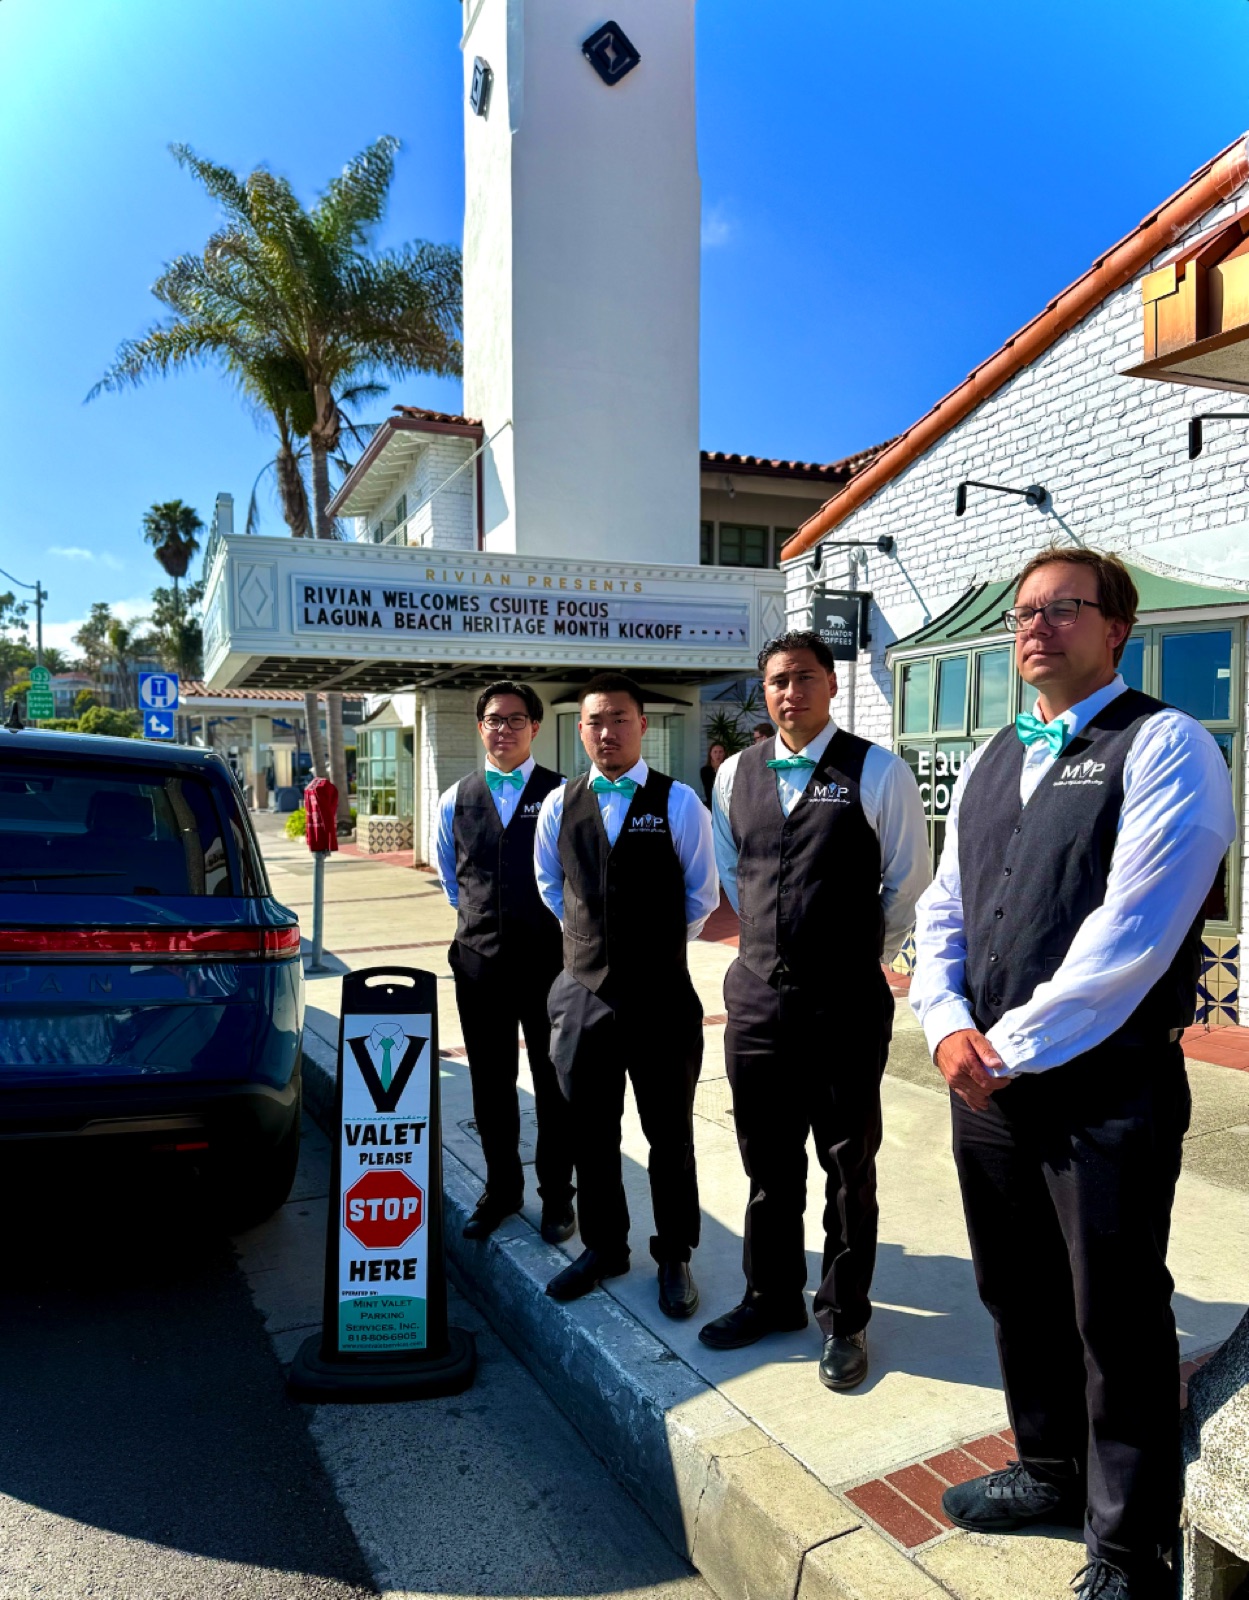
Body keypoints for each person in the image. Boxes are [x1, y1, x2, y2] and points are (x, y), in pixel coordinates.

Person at [910, 547, 1235, 1600]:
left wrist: (1000, 1045)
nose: (1035, 627)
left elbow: (1129, 935)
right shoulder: (996, 753)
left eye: (1063, 609)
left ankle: (1129, 1547)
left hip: (1103, 1092)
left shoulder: (1166, 744)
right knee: (1017, 1291)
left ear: (1115, 631)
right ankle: (1049, 1469)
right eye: (1022, 614)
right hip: (988, 1085)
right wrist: (946, 1020)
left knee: (1117, 1317)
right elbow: (943, 905)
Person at [698, 630, 930, 1391]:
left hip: (842, 1005)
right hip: (757, 998)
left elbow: (906, 883)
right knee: (766, 1165)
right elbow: (736, 871)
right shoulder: (735, 774)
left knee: (844, 1166)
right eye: (774, 681)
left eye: (802, 678)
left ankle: (845, 1319)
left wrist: (857, 952)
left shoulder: (877, 770)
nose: (787, 692)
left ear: (830, 685)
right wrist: (770, 939)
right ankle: (769, 1299)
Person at [534, 671, 719, 1316]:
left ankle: (675, 1255)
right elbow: (552, 890)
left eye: (618, 718)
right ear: (580, 730)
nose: (606, 731)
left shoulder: (678, 802)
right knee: (591, 1130)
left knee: (668, 1134)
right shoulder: (560, 803)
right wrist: (592, 946)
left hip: (661, 997)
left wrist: (650, 949)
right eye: (594, 721)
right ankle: (605, 1246)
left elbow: (702, 894)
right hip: (581, 996)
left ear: (643, 725)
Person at [435, 680, 576, 1246]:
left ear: (534, 728)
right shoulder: (455, 797)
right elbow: (452, 880)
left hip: (548, 964)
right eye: (494, 719)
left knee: (553, 1084)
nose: (504, 729)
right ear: (481, 726)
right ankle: (502, 1189)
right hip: (478, 966)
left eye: (516, 720)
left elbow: (574, 880)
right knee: (491, 1084)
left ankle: (558, 1198)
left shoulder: (565, 794)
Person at [700, 741, 728, 805]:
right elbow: (709, 789)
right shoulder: (705, 770)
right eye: (715, 752)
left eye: (720, 752)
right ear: (710, 754)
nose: (718, 755)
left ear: (724, 754)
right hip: (712, 804)